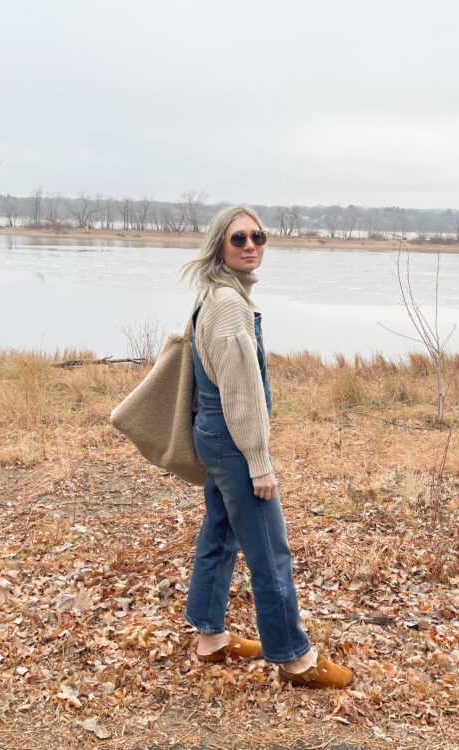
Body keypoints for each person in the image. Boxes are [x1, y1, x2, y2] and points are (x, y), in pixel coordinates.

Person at [179, 205, 352, 688]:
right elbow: (242, 393)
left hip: (214, 434)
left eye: (258, 235)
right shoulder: (230, 305)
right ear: (220, 245)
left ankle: (210, 637)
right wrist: (259, 464)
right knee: (269, 550)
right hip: (233, 439)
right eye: (239, 238)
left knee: (220, 529)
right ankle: (294, 656)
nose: (251, 244)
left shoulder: (214, 294)